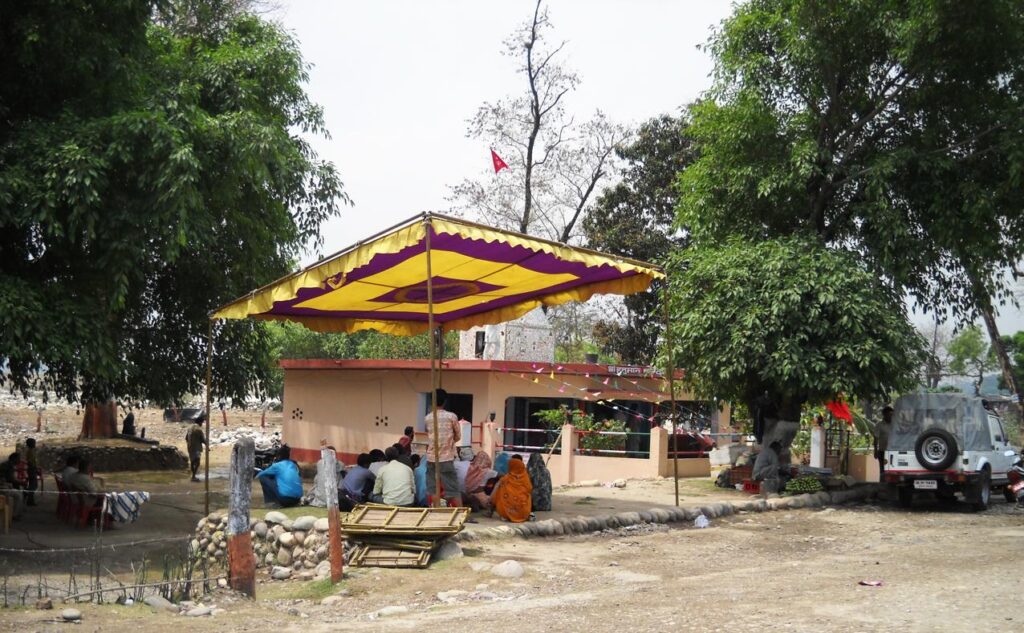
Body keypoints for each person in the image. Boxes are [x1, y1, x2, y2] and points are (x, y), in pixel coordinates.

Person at [423, 388, 461, 506]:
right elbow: (458, 436)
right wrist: (449, 442)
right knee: (453, 488)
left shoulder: (428, 418)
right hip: (447, 457)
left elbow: (428, 433)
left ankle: (436, 512)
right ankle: (460, 513)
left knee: (434, 488)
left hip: (431, 457)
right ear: (445, 401)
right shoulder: (452, 416)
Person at [491, 455, 532, 522]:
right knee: (528, 495)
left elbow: (494, 496)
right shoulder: (526, 478)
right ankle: (522, 513)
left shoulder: (505, 479)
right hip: (523, 513)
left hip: (506, 513)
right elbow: (529, 489)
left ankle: (505, 513)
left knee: (499, 489)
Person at [0, 452, 26, 519]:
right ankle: (14, 515)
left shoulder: (8, 464)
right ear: (14, 459)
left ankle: (15, 512)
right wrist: (21, 482)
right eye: (18, 458)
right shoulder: (8, 465)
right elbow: (11, 479)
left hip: (4, 485)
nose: (20, 460)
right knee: (18, 495)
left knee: (18, 492)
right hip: (2, 487)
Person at [874, 405, 894, 482]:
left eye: (892, 415)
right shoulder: (879, 425)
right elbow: (876, 438)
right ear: (884, 415)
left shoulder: (896, 425)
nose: (891, 416)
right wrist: (875, 451)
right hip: (883, 452)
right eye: (889, 415)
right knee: (883, 470)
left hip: (894, 452)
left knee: (893, 470)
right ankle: (882, 486)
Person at [185, 417, 207, 482]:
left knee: (192, 461)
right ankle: (193, 476)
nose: (202, 424)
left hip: (190, 447)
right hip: (196, 448)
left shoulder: (189, 428)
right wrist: (207, 446)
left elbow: (186, 438)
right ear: (200, 422)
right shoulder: (199, 429)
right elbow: (203, 440)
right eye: (202, 423)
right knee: (197, 462)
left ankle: (193, 475)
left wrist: (190, 443)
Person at [23, 438, 39, 506]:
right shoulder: (30, 452)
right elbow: (30, 462)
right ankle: (28, 498)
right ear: (31, 444)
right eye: (34, 443)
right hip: (32, 470)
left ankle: (27, 495)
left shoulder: (31, 451)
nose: (35, 444)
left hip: (32, 469)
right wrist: (34, 468)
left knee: (33, 485)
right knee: (33, 485)